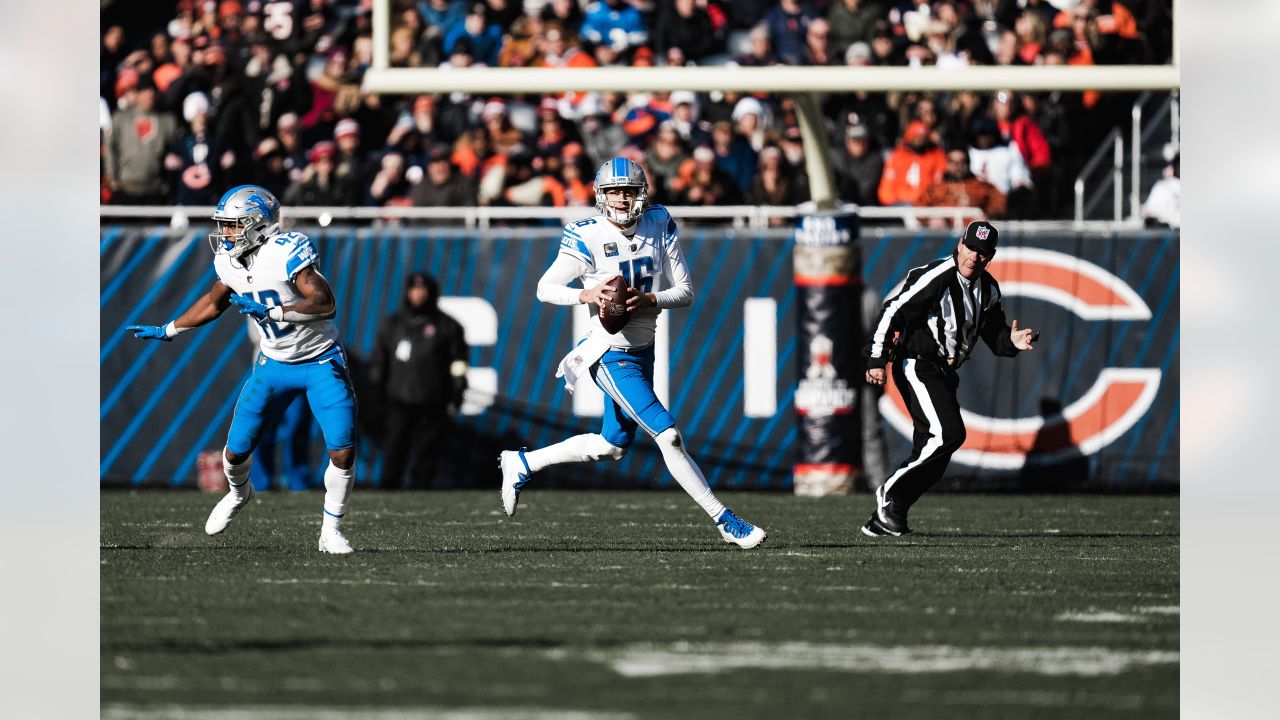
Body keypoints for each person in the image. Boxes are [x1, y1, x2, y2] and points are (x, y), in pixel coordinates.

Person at [498, 157, 766, 549]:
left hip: (643, 348)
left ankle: (522, 463)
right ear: (600, 195)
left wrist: (650, 298)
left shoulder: (658, 221)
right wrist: (585, 293)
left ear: (641, 194)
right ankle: (724, 520)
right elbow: (544, 288)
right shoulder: (586, 235)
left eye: (628, 191)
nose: (622, 199)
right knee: (669, 435)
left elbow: (686, 291)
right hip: (608, 352)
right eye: (613, 192)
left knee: (613, 445)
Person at [126, 185, 358, 554]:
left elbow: (325, 302)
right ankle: (239, 493)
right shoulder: (229, 261)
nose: (226, 233)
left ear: (258, 225)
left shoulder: (285, 252)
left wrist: (278, 311)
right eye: (224, 225)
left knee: (342, 449)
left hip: (319, 359)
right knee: (234, 454)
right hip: (273, 363)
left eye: (233, 225)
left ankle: (331, 531)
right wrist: (170, 329)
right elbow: (214, 302)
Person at [861, 221, 1037, 536]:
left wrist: (1012, 342)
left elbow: (995, 337)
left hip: (943, 371)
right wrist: (876, 358)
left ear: (990, 257)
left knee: (935, 452)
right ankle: (889, 493)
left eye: (982, 253)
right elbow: (893, 310)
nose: (974, 257)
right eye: (970, 248)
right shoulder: (936, 276)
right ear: (959, 244)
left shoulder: (988, 290)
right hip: (917, 364)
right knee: (947, 434)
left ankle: (889, 518)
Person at [369, 272, 469, 490]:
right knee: (395, 448)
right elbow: (379, 359)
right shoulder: (393, 324)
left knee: (428, 451)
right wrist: (376, 388)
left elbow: (459, 362)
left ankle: (422, 491)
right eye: (414, 290)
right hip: (398, 400)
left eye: (423, 290)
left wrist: (458, 388)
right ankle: (389, 488)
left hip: (432, 400)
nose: (418, 295)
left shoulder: (447, 326)